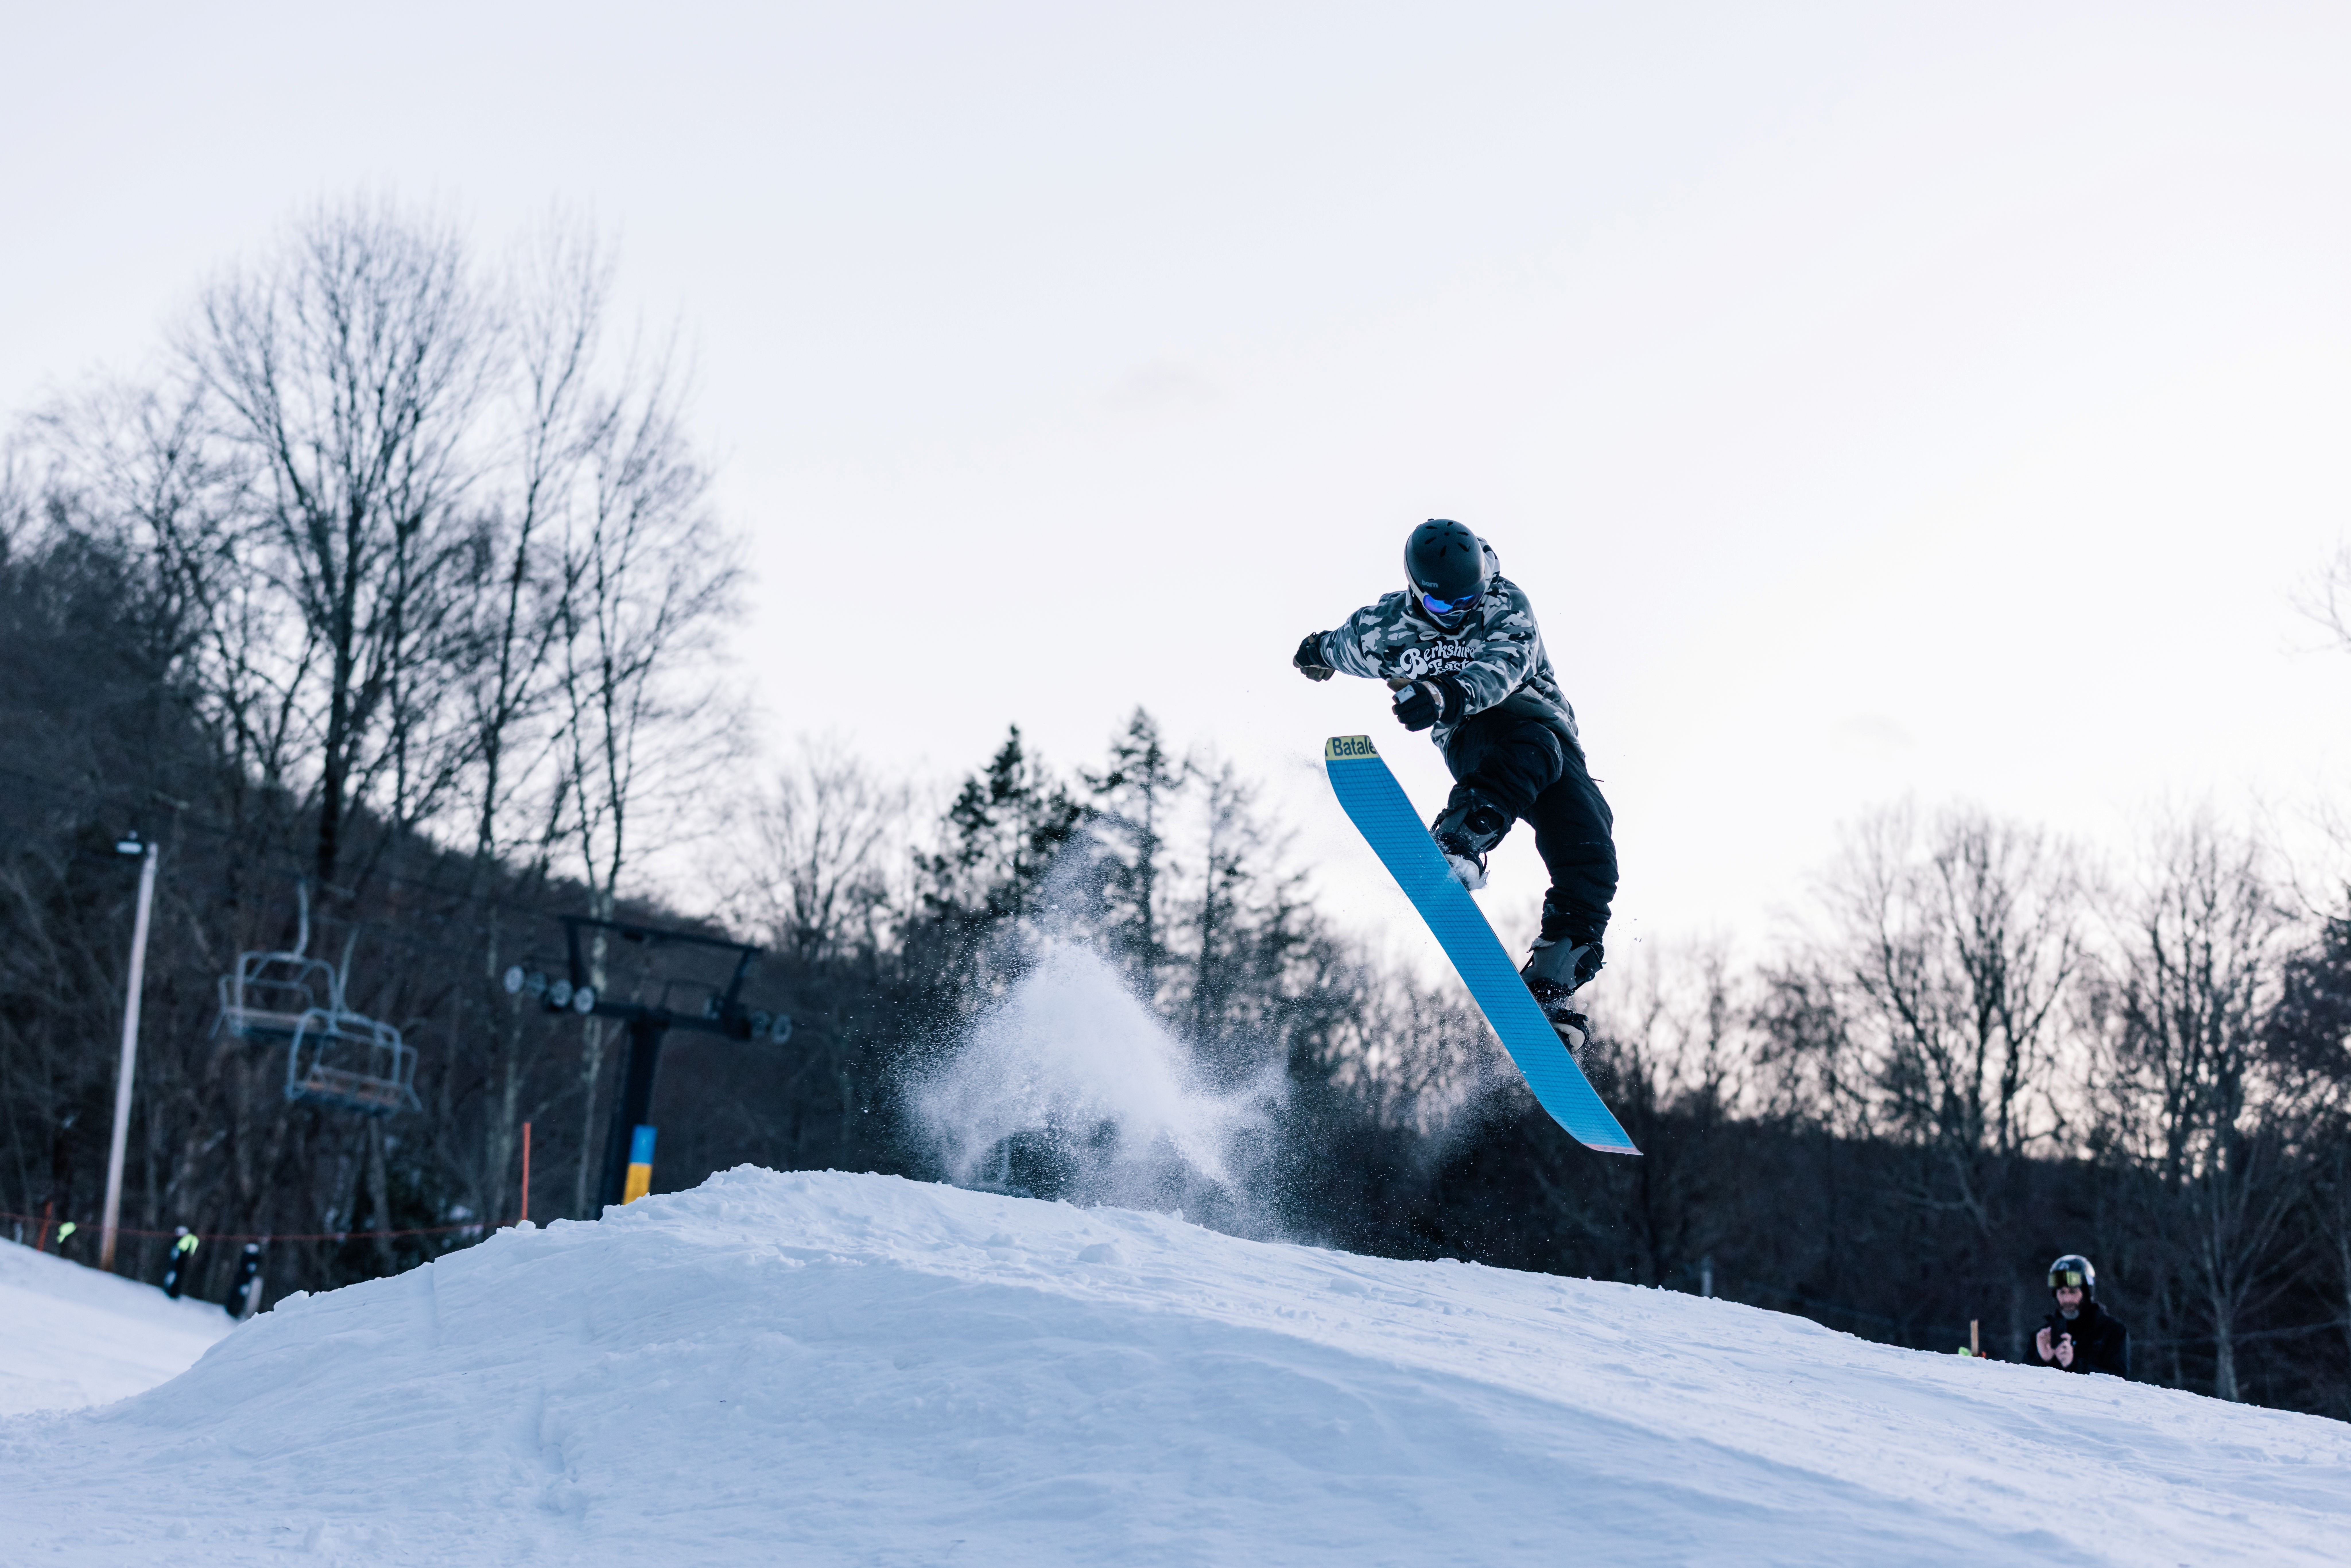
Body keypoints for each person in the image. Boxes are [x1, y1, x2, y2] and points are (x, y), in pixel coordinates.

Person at [1295, 519, 1617, 1047]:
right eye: (1447, 608)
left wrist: (1443, 695)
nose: (1461, 613)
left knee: (1592, 843)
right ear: (1418, 594)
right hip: (1479, 737)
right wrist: (1317, 654)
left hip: (1543, 730)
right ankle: (1461, 836)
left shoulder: (1505, 603)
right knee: (1529, 747)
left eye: (1469, 600)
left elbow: (1502, 669)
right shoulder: (1384, 629)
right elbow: (1342, 646)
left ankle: (1553, 980)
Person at [2034, 1253, 2128, 1377]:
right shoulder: (2045, 1335)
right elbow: (2021, 1387)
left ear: (2087, 1293)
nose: (2067, 1299)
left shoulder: (2113, 1332)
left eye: (2073, 1292)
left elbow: (2120, 1382)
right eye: (2062, 1292)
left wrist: (2074, 1365)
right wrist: (2044, 1360)